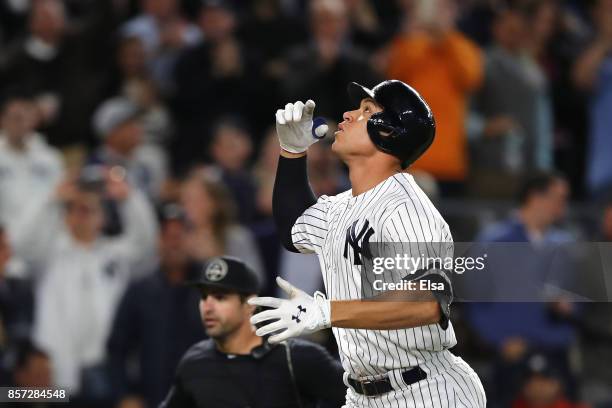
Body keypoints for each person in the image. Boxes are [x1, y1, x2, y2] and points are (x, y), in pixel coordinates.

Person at [249, 80, 486, 406]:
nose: (347, 114)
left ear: (388, 132)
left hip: (425, 390)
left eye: (365, 111)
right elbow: (294, 229)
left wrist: (326, 311)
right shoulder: (341, 206)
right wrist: (292, 153)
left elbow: (426, 303)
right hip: (362, 395)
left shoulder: (405, 208)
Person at [11, 170, 157, 401]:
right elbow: (22, 245)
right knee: (17, 397)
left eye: (90, 209)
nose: (83, 215)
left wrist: (129, 198)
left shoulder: (115, 255)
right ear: (66, 215)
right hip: (57, 375)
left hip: (108, 368)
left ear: (103, 217)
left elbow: (146, 245)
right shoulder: (49, 253)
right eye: (76, 209)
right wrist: (51, 200)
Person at [160, 256, 346, 407]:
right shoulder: (195, 362)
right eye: (204, 296)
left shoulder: (295, 357)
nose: (207, 306)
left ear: (249, 305)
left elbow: (355, 396)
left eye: (220, 297)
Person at [107, 203, 206, 408]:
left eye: (180, 235)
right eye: (168, 236)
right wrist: (125, 395)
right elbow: (117, 348)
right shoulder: (140, 290)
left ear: (191, 239)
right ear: (158, 241)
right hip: (154, 397)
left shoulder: (213, 289)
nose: (174, 243)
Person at [0, 94, 64, 238]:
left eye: (28, 118)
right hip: (5, 243)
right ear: (3, 119)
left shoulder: (50, 158)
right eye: (17, 118)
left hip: (45, 240)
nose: (23, 124)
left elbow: (60, 197)